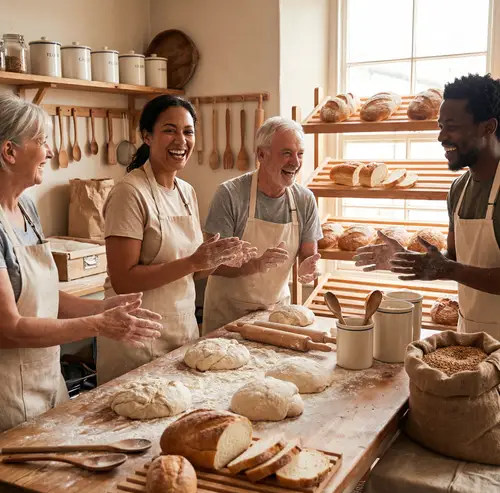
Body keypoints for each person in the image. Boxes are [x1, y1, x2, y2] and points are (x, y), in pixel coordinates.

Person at [0, 93, 162, 432]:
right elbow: (9, 329)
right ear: (9, 151)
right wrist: (99, 325)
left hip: (47, 384)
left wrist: (101, 309)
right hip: (8, 399)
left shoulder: (27, 208)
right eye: (41, 142)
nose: (48, 152)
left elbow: (45, 301)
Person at [98, 95, 254, 384]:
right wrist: (195, 261)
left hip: (181, 335)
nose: (181, 140)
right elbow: (123, 280)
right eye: (170, 130)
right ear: (147, 136)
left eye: (188, 131)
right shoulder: (129, 193)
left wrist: (217, 258)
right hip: (137, 341)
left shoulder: (186, 191)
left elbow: (191, 271)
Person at [354, 73, 500, 339]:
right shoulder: (459, 189)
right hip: (469, 336)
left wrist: (446, 269)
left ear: (488, 127)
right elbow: (454, 260)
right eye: (440, 126)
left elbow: (452, 268)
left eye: (452, 126)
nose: (441, 137)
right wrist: (410, 262)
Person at [201, 116, 323, 334]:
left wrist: (308, 267)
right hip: (228, 315)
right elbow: (210, 265)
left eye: (300, 153)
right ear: (261, 155)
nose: (295, 162)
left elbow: (307, 254)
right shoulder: (230, 195)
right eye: (286, 153)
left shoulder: (305, 200)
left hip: (276, 314)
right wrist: (255, 265)